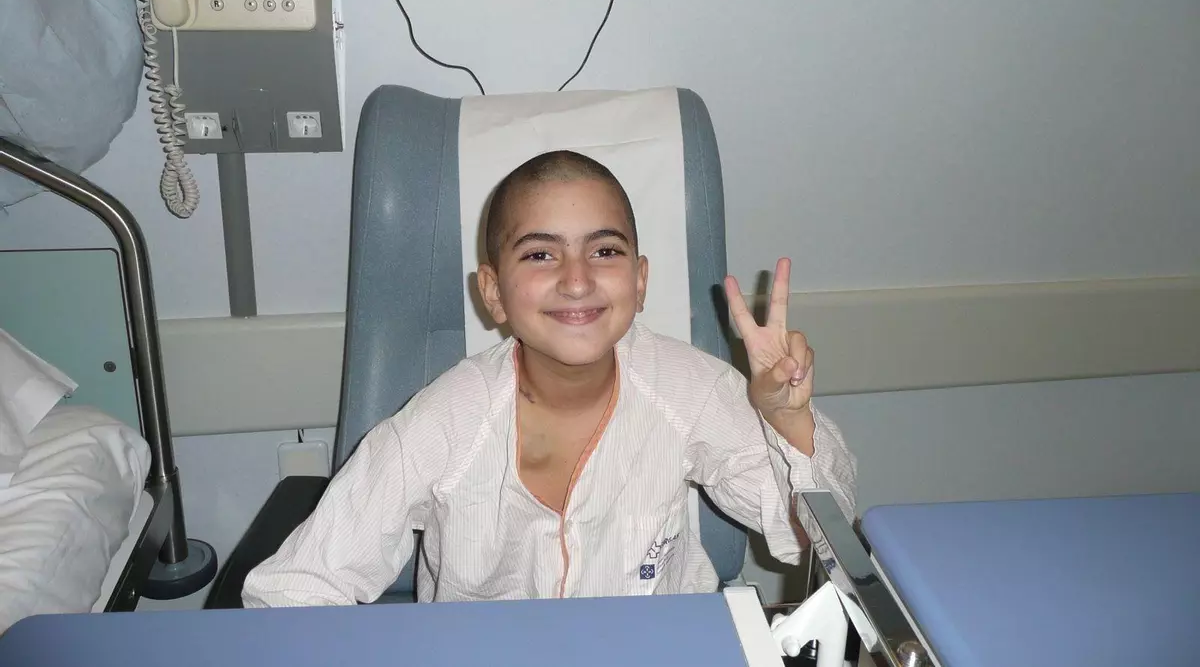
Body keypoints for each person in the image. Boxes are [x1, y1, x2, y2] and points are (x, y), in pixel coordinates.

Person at [241, 150, 857, 607]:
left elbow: (814, 538)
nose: (577, 279)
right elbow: (294, 590)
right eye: (541, 254)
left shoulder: (687, 390)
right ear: (493, 292)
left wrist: (788, 420)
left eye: (604, 251)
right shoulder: (444, 423)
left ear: (640, 280)